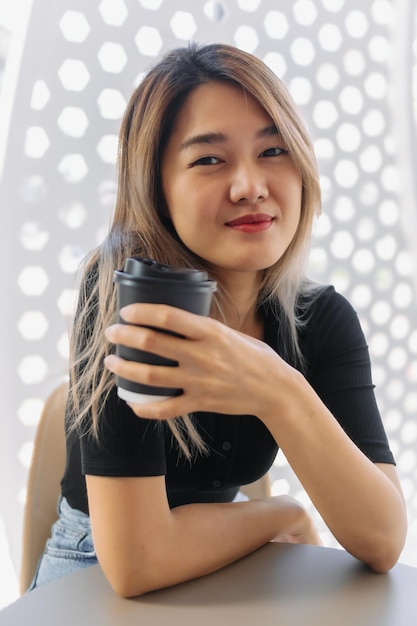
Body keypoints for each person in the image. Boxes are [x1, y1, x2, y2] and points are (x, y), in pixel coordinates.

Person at [30, 42, 407, 597]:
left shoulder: (320, 318)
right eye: (209, 159)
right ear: (157, 187)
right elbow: (137, 561)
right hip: (93, 572)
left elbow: (383, 539)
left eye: (274, 150)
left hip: (225, 562)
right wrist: (279, 514)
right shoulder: (124, 295)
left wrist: (280, 390)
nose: (250, 186)